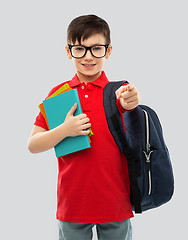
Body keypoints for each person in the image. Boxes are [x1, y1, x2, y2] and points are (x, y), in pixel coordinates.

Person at [28, 14, 139, 240]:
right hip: (72, 205)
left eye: (96, 48)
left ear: (108, 51)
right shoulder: (59, 94)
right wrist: (63, 131)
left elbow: (131, 107)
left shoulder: (118, 92)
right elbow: (33, 144)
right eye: (80, 49)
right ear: (69, 51)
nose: (88, 57)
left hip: (115, 203)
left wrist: (131, 101)